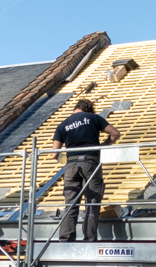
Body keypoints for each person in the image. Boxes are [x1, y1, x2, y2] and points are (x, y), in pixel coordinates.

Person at [52, 99, 121, 241]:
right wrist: (101, 146)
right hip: (91, 162)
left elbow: (54, 154)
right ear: (88, 110)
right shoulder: (93, 118)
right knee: (91, 204)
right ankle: (89, 240)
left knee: (70, 205)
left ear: (75, 109)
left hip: (71, 166)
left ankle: (65, 240)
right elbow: (115, 134)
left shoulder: (63, 125)